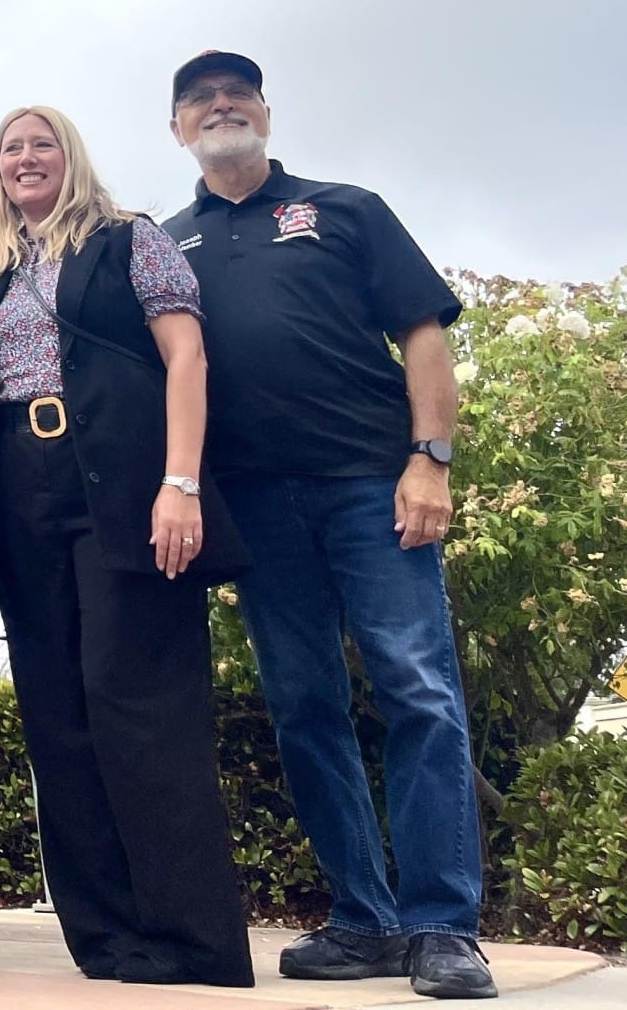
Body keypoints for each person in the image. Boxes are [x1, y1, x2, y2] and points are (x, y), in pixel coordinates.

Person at [162, 52, 493, 1000]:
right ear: (177, 128)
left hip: (369, 488)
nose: (221, 106)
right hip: (257, 503)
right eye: (199, 100)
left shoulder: (347, 208)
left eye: (237, 94)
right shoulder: (165, 240)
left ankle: (442, 926)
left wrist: (430, 460)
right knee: (304, 706)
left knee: (418, 690)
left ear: (265, 111)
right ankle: (365, 918)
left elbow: (422, 331)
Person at [0, 105, 252, 988]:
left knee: (139, 703)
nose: (26, 158)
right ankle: (108, 937)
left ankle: (191, 940)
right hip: (23, 495)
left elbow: (187, 359)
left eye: (41, 143)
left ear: (70, 158)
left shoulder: (132, 240)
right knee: (58, 715)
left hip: (123, 486)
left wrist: (181, 483)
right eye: (12, 148)